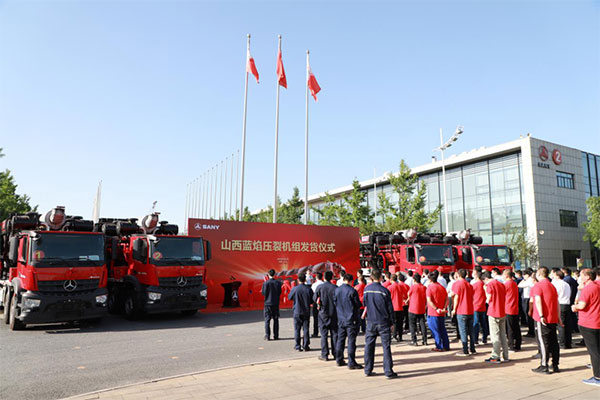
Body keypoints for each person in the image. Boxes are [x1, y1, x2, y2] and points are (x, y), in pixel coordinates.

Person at [363, 269, 397, 378]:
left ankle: (368, 369)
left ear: (371, 277)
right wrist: (392, 322)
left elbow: (364, 303)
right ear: (381, 278)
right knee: (386, 346)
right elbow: (390, 308)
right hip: (383, 321)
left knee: (369, 345)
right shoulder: (384, 291)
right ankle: (388, 371)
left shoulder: (366, 290)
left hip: (371, 321)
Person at [572, 268, 600, 387]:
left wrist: (575, 307)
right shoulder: (597, 286)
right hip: (597, 321)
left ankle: (597, 377)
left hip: (589, 322)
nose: (580, 277)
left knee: (594, 351)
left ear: (587, 276)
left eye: (581, 275)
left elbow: (582, 305)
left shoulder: (588, 288)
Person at [531, 266, 562, 374]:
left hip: (543, 318)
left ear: (539, 274)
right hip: (552, 316)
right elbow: (557, 302)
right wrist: (558, 316)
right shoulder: (552, 286)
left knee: (543, 342)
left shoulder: (538, 286)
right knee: (554, 341)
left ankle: (544, 365)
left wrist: (541, 315)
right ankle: (555, 364)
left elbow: (538, 300)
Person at [334, 274, 363, 369]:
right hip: (351, 319)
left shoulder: (337, 290)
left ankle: (339, 359)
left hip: (341, 318)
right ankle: (351, 362)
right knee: (351, 341)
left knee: (340, 340)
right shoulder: (352, 291)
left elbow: (335, 302)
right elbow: (357, 304)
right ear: (351, 281)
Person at [483, 270, 508, 364]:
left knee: (495, 335)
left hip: (493, 311)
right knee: (503, 335)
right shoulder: (501, 284)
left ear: (486, 279)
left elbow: (488, 299)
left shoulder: (490, 285)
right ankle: (505, 355)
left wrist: (485, 290)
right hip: (502, 311)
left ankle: (495, 356)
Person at [314, 271, 338, 361]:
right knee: (334, 334)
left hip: (323, 313)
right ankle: (336, 354)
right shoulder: (335, 287)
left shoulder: (320, 287)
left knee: (324, 335)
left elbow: (314, 298)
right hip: (334, 313)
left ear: (324, 277)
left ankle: (324, 354)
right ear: (332, 277)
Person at [451, 269, 476, 356]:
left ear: (458, 275)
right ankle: (472, 348)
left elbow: (456, 297)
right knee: (471, 330)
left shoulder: (457, 284)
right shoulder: (469, 285)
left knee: (463, 331)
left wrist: (454, 309)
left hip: (461, 310)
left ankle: (465, 349)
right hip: (470, 309)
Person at [288, 274, 314, 351]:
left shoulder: (295, 289)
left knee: (297, 329)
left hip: (297, 311)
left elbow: (289, 297)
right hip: (306, 311)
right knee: (306, 329)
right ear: (305, 280)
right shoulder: (308, 289)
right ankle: (306, 345)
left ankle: (297, 346)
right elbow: (312, 300)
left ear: (298, 280)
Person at [426, 271, 450, 352]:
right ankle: (446, 345)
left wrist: (436, 308)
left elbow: (429, 300)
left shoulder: (430, 288)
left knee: (435, 330)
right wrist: (443, 308)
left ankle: (439, 346)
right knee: (442, 329)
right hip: (441, 312)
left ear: (430, 279)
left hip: (433, 312)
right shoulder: (442, 287)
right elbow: (446, 299)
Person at [551, 269, 572, 349]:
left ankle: (562, 343)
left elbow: (555, 295)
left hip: (560, 304)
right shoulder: (566, 284)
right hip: (567, 304)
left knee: (561, 325)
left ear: (557, 276)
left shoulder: (556, 284)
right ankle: (568, 343)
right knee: (567, 325)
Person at [503, 270, 522, 351]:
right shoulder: (514, 283)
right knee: (516, 327)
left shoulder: (506, 284)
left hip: (508, 308)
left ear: (506, 276)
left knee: (509, 328)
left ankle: (511, 345)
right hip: (514, 307)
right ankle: (518, 344)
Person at [262, 269, 282, 341]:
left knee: (267, 320)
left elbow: (263, 293)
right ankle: (276, 335)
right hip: (275, 303)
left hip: (267, 303)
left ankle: (267, 335)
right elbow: (280, 292)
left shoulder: (266, 283)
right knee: (276, 319)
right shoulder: (278, 283)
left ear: (268, 274)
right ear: (274, 274)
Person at [408, 273, 428, 346]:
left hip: (412, 308)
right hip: (421, 308)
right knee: (422, 324)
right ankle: (424, 340)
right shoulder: (424, 287)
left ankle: (414, 341)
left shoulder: (413, 287)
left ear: (414, 280)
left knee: (412, 325)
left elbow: (408, 294)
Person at [388, 274, 408, 342]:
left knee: (394, 322)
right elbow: (404, 295)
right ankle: (400, 336)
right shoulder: (401, 286)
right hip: (400, 306)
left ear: (391, 279)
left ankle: (394, 335)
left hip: (393, 307)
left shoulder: (390, 287)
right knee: (400, 322)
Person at [471, 268, 489, 345]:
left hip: (475, 305)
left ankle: (475, 339)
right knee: (484, 323)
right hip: (483, 306)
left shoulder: (474, 285)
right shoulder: (485, 285)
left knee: (476, 323)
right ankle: (484, 338)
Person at [519, 269, 536, 337]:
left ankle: (531, 331)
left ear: (527, 275)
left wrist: (523, 280)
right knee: (528, 315)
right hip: (527, 298)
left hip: (528, 299)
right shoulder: (530, 280)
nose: (523, 276)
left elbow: (519, 285)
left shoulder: (529, 280)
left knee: (528, 315)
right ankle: (531, 330)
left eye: (524, 275)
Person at [311, 272, 324, 338]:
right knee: (323, 317)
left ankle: (315, 332)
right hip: (323, 302)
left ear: (316, 277)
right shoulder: (323, 284)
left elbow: (313, 294)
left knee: (315, 318)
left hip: (316, 302)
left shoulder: (314, 285)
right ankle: (323, 332)